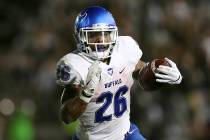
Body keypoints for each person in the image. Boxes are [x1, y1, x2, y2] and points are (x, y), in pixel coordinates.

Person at [55, 6, 182, 140]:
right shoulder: (74, 64)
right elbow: (67, 117)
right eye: (93, 34)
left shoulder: (124, 48)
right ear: (80, 37)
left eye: (105, 33)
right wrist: (85, 94)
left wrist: (161, 72)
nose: (101, 40)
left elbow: (140, 71)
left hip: (125, 133)